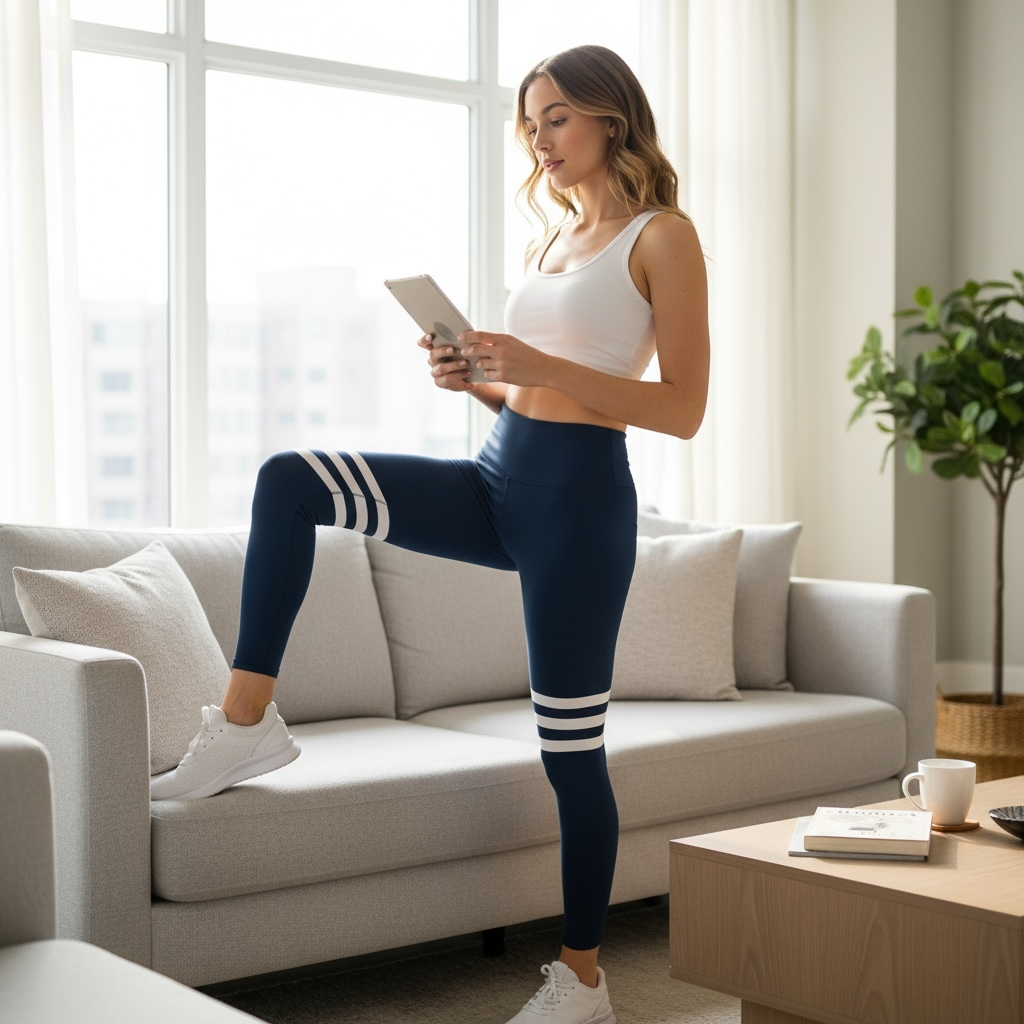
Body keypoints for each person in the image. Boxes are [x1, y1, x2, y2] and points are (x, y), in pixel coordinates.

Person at [150, 43, 709, 1024]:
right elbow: (537, 391)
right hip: (498, 479)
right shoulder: (554, 239)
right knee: (290, 482)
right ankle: (246, 722)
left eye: (556, 118)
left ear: (610, 118)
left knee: (571, 755)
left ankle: (582, 982)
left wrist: (535, 362)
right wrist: (480, 381)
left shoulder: (663, 236)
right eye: (529, 123)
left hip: (579, 514)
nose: (539, 139)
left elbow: (683, 408)